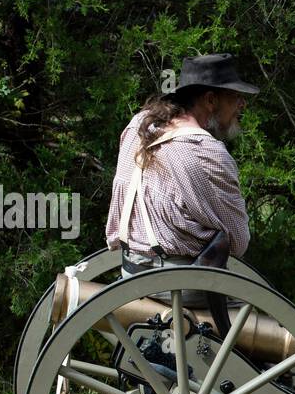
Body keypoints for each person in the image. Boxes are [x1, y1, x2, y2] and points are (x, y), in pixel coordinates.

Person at [104, 52, 258, 303]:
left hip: (130, 274)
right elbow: (238, 242)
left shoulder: (138, 125)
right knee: (257, 329)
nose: (242, 105)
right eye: (236, 97)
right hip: (181, 287)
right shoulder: (206, 152)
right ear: (210, 100)